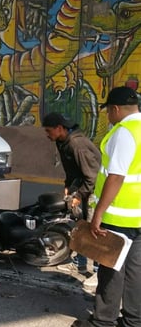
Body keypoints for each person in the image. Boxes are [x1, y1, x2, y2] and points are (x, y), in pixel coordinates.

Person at [71, 86, 141, 327]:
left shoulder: (124, 133)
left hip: (119, 214)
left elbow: (116, 177)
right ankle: (134, 322)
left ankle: (102, 322)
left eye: (107, 111)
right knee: (135, 269)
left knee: (110, 266)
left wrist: (98, 213)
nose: (107, 116)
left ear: (115, 109)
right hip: (138, 215)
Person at [42, 112, 101, 275]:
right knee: (80, 227)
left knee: (92, 229)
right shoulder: (62, 142)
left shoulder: (77, 144)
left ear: (59, 128)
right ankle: (80, 264)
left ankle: (97, 271)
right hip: (81, 187)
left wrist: (79, 196)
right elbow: (72, 170)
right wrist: (68, 187)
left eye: (48, 131)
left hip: (93, 191)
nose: (47, 135)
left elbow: (92, 177)